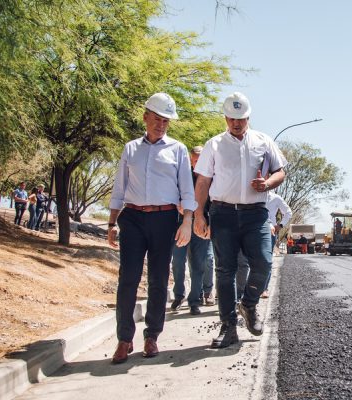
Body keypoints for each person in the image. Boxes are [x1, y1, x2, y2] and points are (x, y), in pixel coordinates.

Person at [106, 92, 196, 364]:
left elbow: (187, 191)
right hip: (132, 219)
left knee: (158, 279)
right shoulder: (130, 148)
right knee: (128, 279)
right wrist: (111, 223)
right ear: (145, 117)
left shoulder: (178, 149)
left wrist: (187, 223)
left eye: (166, 121)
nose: (161, 125)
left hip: (164, 218)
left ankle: (152, 336)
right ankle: (124, 339)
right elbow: (119, 189)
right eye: (157, 119)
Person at [193, 92, 287, 349]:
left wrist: (267, 183)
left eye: (241, 118)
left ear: (248, 117)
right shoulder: (214, 145)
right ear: (225, 117)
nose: (236, 123)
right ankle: (228, 327)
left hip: (256, 213)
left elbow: (280, 171)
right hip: (222, 214)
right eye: (232, 118)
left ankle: (248, 304)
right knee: (225, 271)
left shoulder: (263, 141)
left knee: (264, 263)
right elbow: (203, 181)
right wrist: (199, 214)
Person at [169, 145, 215, 315]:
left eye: (200, 160)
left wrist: (210, 224)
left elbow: (215, 202)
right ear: (190, 159)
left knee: (200, 264)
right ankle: (178, 296)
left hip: (202, 225)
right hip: (180, 224)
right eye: (194, 160)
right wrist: (178, 205)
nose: (197, 163)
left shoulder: (212, 177)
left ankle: (195, 300)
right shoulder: (182, 174)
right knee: (178, 262)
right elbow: (172, 193)